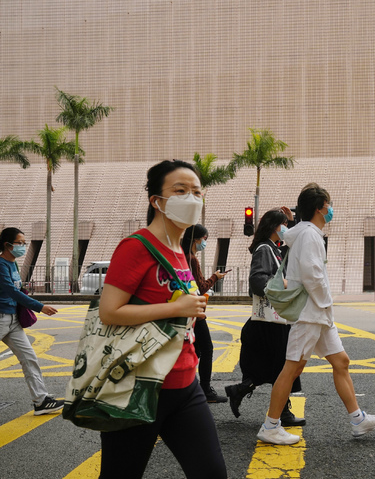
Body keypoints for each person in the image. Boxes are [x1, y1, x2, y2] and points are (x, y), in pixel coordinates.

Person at [97, 160, 226, 478]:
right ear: (157, 200)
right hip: (136, 388)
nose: (192, 198)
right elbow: (109, 311)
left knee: (211, 473)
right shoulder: (136, 247)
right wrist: (175, 308)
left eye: (197, 192)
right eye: (180, 190)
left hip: (185, 385)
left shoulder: (180, 250)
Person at [256, 183, 375, 445]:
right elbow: (311, 273)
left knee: (341, 362)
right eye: (328, 205)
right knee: (291, 369)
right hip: (311, 313)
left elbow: (287, 234)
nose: (331, 210)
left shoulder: (304, 232)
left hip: (318, 314)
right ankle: (270, 426)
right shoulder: (310, 236)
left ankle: (358, 420)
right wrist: (327, 301)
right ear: (319, 208)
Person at [224, 207, 304, 426]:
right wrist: (285, 284)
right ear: (274, 227)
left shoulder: (273, 248)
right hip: (271, 322)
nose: (287, 228)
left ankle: (239, 391)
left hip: (273, 321)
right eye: (284, 225)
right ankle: (282, 413)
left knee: (275, 367)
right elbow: (257, 282)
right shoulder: (264, 249)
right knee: (284, 366)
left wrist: (292, 219)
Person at [0, 227, 64, 415]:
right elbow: (11, 291)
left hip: (13, 321)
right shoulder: (1, 264)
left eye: (24, 243)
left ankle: (41, 401)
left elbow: (17, 290)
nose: (24, 246)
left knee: (29, 358)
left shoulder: (13, 264)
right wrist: (40, 307)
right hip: (1, 317)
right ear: (7, 245)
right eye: (20, 243)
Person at [182, 224, 228, 403]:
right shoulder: (191, 259)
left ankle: (190, 385)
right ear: (196, 239)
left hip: (186, 310)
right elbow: (200, 287)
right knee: (207, 348)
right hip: (195, 311)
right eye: (205, 239)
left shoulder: (182, 256)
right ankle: (206, 390)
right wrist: (215, 277)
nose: (205, 243)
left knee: (196, 349)